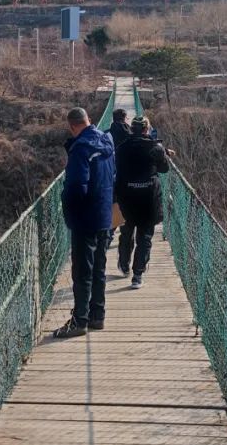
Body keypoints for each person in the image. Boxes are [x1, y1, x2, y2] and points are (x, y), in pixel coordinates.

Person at [54, 106, 115, 338]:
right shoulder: (107, 141)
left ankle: (79, 320)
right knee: (99, 268)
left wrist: (67, 207)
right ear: (89, 120)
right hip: (104, 215)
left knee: (82, 272)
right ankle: (97, 316)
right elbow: (114, 175)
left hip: (85, 219)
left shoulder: (80, 149)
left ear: (71, 127)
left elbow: (77, 186)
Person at [114, 115, 170, 289]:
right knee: (145, 236)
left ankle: (124, 265)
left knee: (126, 232)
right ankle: (137, 275)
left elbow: (116, 168)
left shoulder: (121, 147)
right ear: (147, 129)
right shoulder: (155, 147)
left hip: (126, 197)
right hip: (148, 197)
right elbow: (164, 169)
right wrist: (163, 154)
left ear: (132, 129)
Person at [103, 108, 133, 251]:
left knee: (113, 210)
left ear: (113, 119)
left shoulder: (105, 135)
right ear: (125, 118)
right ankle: (125, 252)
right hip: (130, 180)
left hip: (110, 179)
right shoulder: (132, 135)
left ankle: (106, 241)